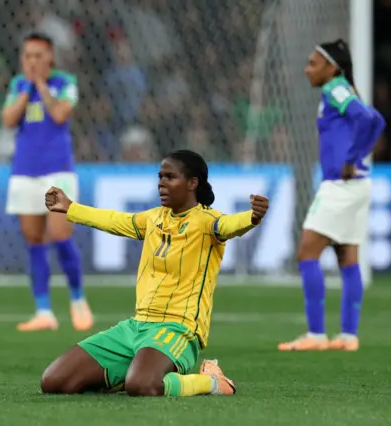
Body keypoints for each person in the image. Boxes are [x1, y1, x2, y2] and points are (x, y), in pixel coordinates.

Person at [40, 150, 270, 396]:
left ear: (192, 183)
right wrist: (70, 208)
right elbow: (113, 219)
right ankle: (132, 371)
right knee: (54, 382)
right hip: (136, 326)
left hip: (177, 329)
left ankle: (212, 381)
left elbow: (230, 225)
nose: (161, 183)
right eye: (160, 176)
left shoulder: (207, 222)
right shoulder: (153, 219)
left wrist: (253, 217)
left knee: (143, 386)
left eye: (170, 177)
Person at [278, 40, 386, 352]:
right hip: (358, 185)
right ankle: (348, 336)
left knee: (306, 254)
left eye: (313, 63)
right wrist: (359, 156)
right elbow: (377, 119)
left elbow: (367, 120)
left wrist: (351, 158)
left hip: (339, 185)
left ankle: (316, 334)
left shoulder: (334, 89)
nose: (306, 69)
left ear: (332, 68)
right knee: (347, 258)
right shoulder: (344, 88)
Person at [1, 32, 92, 332]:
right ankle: (43, 311)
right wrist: (28, 88)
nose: (32, 61)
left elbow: (60, 114)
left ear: (50, 57)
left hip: (57, 171)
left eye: (38, 56)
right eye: (27, 56)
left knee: (61, 235)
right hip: (25, 170)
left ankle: (78, 300)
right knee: (34, 241)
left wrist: (41, 85)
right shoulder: (18, 85)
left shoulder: (64, 83)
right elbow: (8, 119)